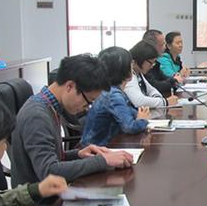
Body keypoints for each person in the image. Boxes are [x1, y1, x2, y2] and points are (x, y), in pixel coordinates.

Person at [11, 54, 134, 187]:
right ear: (70, 86)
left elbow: (52, 157)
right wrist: (102, 161)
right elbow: (49, 172)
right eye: (88, 101)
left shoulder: (48, 106)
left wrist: (78, 154)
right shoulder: (37, 116)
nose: (86, 108)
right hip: (42, 198)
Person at [81, 47, 150, 147]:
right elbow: (129, 127)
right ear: (123, 70)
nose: (133, 67)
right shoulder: (113, 95)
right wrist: (143, 120)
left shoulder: (112, 90)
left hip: (105, 145)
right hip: (98, 148)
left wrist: (140, 115)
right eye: (130, 64)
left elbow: (131, 113)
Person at [124, 40, 178, 109]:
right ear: (141, 59)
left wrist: (158, 99)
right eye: (151, 63)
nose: (152, 66)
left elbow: (151, 90)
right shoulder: (128, 75)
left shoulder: (138, 72)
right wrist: (165, 102)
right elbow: (139, 101)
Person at [142, 29, 180, 97]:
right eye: (162, 44)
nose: (165, 47)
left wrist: (173, 80)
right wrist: (173, 81)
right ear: (151, 46)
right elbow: (155, 86)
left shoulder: (156, 62)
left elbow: (164, 77)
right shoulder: (145, 63)